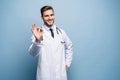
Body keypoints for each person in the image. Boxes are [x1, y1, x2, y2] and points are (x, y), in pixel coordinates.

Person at [29, 5, 73, 80]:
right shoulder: (38, 33)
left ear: (54, 15)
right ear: (42, 17)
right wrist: (37, 40)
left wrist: (67, 64)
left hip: (60, 75)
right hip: (45, 75)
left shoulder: (61, 32)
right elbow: (33, 53)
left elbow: (69, 46)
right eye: (46, 16)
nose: (50, 18)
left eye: (51, 15)